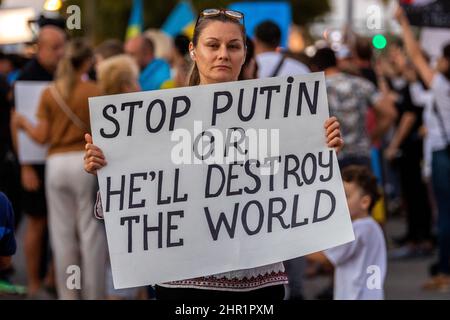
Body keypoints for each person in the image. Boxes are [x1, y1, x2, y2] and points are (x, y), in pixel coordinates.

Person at [84, 8, 344, 301]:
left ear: (245, 53)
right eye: (213, 45)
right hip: (182, 281)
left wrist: (323, 149)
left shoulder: (278, 115)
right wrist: (107, 167)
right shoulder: (158, 120)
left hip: (255, 280)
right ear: (194, 51)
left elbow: (297, 187)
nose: (223, 54)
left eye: (233, 46)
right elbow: (135, 201)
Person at [13, 39, 107, 299]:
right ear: (87, 62)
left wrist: (22, 122)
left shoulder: (50, 92)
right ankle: (94, 293)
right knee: (91, 232)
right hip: (85, 163)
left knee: (62, 234)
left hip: (55, 165)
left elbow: (42, 137)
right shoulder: (95, 90)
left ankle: (69, 294)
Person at [396, 6, 450, 291]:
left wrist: (404, 23)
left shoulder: (439, 85)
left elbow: (415, 55)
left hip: (443, 153)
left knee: (445, 215)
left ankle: (445, 270)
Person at [12, 24, 66, 298]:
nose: (61, 52)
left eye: (62, 47)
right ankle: (34, 282)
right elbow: (16, 123)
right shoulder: (27, 76)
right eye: (55, 48)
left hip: (60, 159)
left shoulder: (66, 73)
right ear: (41, 48)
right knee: (37, 222)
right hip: (37, 163)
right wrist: (26, 166)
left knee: (62, 224)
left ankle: (52, 277)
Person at [307, 165, 387, 300]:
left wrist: (295, 246)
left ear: (365, 202)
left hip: (357, 296)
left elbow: (327, 258)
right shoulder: (371, 227)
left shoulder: (358, 228)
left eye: (346, 196)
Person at [311, 47, 396, 168]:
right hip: (361, 152)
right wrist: (371, 138)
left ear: (315, 67)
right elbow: (390, 113)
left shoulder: (315, 90)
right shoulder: (360, 84)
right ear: (337, 62)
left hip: (332, 156)